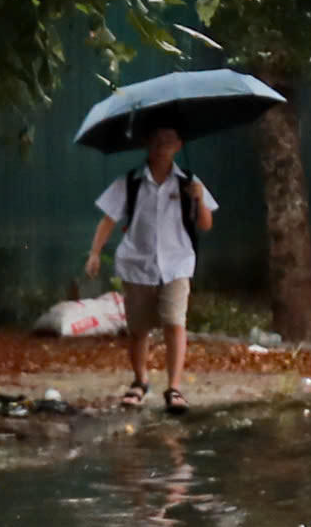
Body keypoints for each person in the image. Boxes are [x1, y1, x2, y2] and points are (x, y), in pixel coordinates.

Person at [83, 123, 216, 415]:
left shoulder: (190, 182)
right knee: (139, 329)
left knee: (174, 323)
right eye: (156, 140)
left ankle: (175, 387)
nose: (161, 146)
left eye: (168, 140)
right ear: (147, 144)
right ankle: (140, 381)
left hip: (177, 263)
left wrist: (199, 200)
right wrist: (94, 253)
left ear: (179, 146)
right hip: (137, 265)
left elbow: (205, 224)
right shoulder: (129, 182)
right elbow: (108, 220)